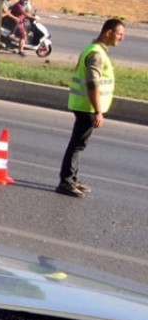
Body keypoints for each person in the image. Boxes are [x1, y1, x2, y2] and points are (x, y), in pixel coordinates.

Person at [56, 18, 125, 197]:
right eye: (119, 34)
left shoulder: (95, 49)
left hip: (85, 106)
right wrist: (98, 111)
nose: (122, 38)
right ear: (108, 32)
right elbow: (92, 83)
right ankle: (66, 181)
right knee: (77, 144)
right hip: (87, 107)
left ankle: (72, 178)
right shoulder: (96, 54)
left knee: (79, 143)